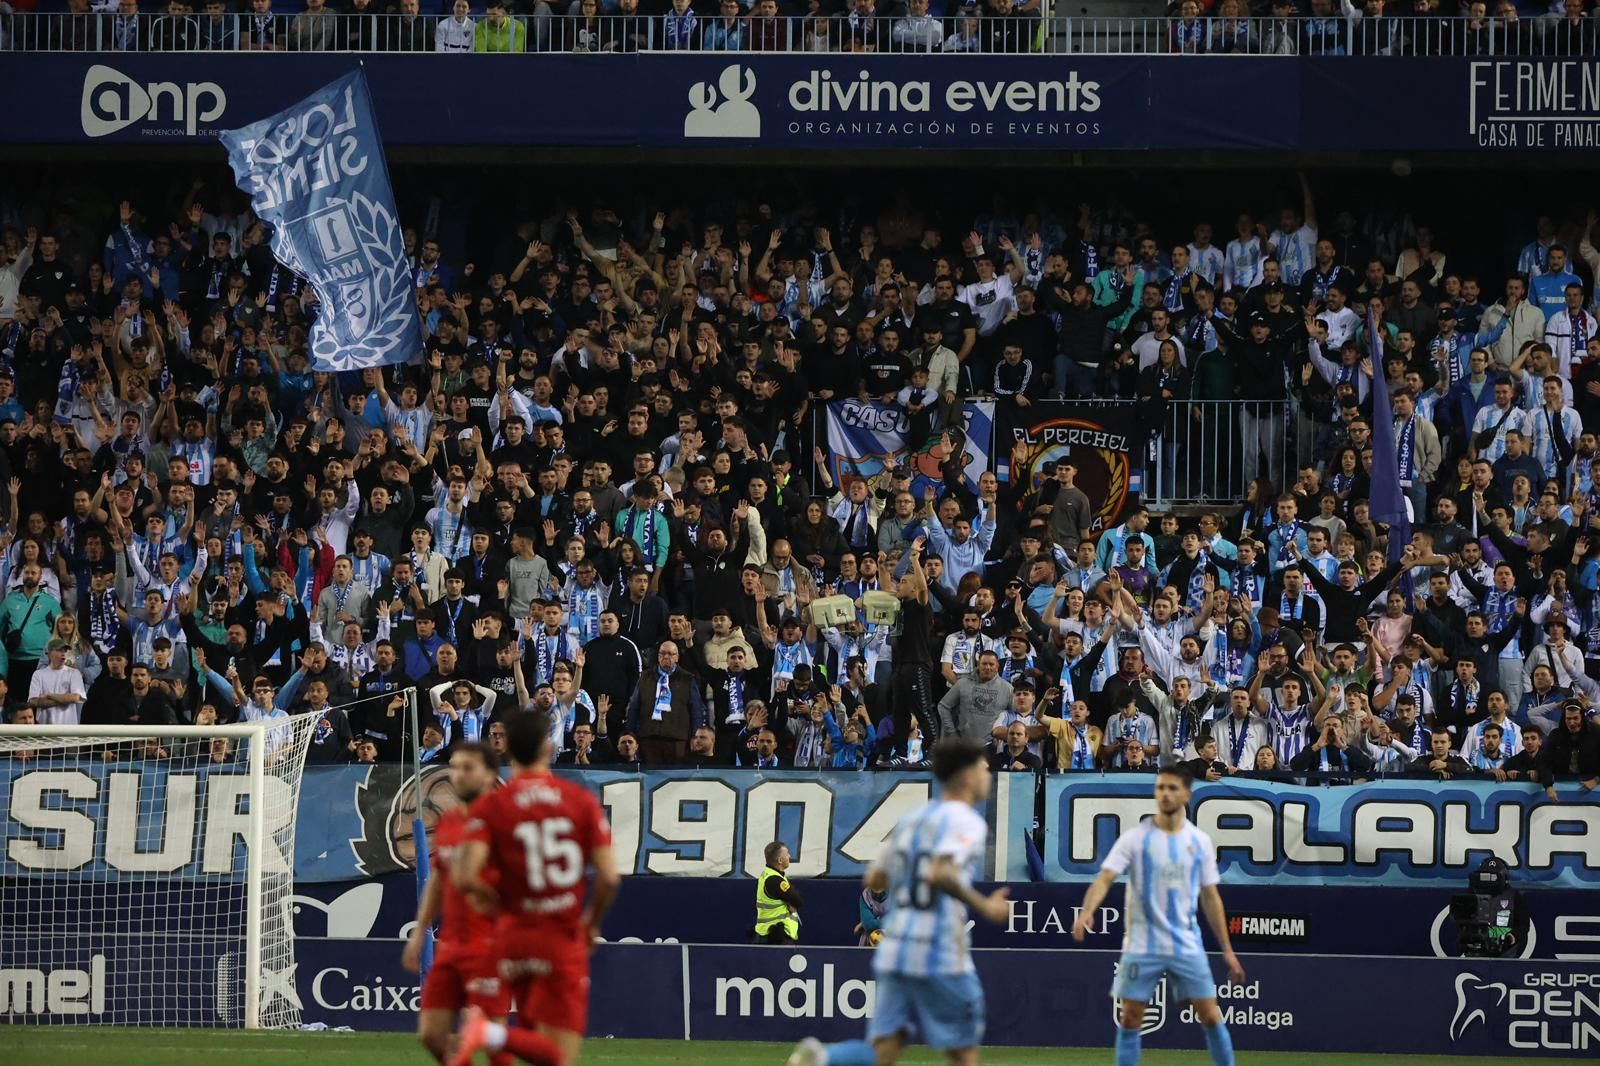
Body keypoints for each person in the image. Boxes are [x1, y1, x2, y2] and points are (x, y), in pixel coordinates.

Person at [788, 738, 1010, 1066]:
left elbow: (874, 878)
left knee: (885, 1050)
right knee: (964, 1051)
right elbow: (940, 872)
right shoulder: (966, 821)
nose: (988, 774)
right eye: (983, 768)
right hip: (938, 949)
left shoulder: (913, 819)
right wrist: (985, 906)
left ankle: (823, 1060)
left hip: (896, 946)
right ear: (966, 777)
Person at [450, 714, 620, 1066]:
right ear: (548, 748)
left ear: (508, 749)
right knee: (559, 1054)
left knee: (537, 1047)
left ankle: (492, 1033)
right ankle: (488, 1033)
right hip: (560, 936)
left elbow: (465, 876)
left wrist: (498, 905)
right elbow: (608, 877)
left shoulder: (493, 804)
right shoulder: (579, 801)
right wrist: (591, 923)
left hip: (512, 936)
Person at [1070, 766, 1244, 1066]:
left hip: (1185, 943)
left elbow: (1210, 897)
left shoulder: (1199, 841)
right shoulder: (1135, 838)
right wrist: (1087, 911)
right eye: (1160, 787)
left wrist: (1227, 951)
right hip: (1141, 943)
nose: (1164, 794)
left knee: (1210, 1015)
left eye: (1172, 788)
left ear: (1186, 794)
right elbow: (1105, 878)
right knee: (1130, 1017)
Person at [402, 743, 505, 1064]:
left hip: (490, 944)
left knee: (492, 1038)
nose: (458, 775)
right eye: (455, 767)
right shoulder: (450, 821)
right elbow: (438, 879)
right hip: (452, 943)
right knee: (431, 1035)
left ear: (489, 775)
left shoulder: (505, 822)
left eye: (467, 768)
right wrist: (420, 932)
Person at [754, 840, 803, 944]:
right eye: (787, 854)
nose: (789, 856)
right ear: (780, 860)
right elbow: (798, 900)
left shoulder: (768, 874)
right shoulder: (775, 880)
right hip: (775, 937)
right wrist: (791, 903)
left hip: (767, 934)